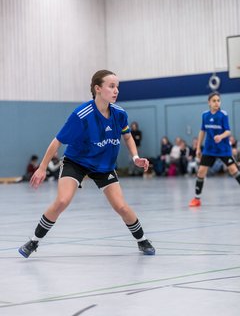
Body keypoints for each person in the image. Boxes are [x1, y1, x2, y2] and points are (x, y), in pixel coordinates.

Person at [18, 70, 155, 257]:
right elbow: (57, 141)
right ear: (98, 88)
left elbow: (128, 137)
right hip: (77, 162)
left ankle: (142, 241)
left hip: (104, 165)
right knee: (62, 201)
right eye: (111, 86)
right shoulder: (82, 114)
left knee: (121, 207)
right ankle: (33, 242)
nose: (116, 91)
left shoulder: (120, 114)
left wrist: (135, 157)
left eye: (118, 87)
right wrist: (42, 167)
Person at [189, 91, 240, 207]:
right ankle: (197, 199)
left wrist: (220, 136)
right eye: (214, 101)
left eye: (218, 100)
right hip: (209, 149)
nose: (217, 103)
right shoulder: (205, 115)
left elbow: (228, 131)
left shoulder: (223, 115)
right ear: (209, 103)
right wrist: (198, 148)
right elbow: (202, 131)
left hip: (223, 149)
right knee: (201, 171)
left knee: (233, 170)